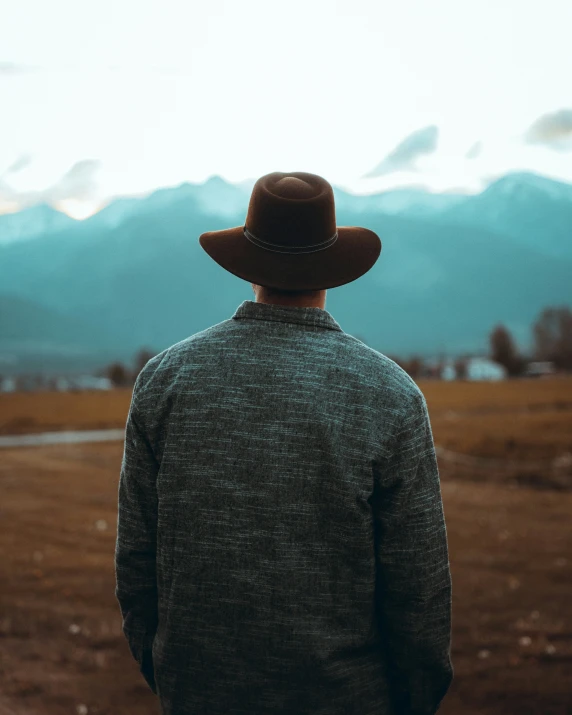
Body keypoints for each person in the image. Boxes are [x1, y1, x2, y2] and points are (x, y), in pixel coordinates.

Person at [115, 171, 453, 714]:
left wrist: (169, 671)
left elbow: (136, 560)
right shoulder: (390, 395)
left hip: (197, 694)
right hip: (346, 698)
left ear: (247, 263)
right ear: (333, 268)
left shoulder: (165, 379)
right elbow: (419, 588)